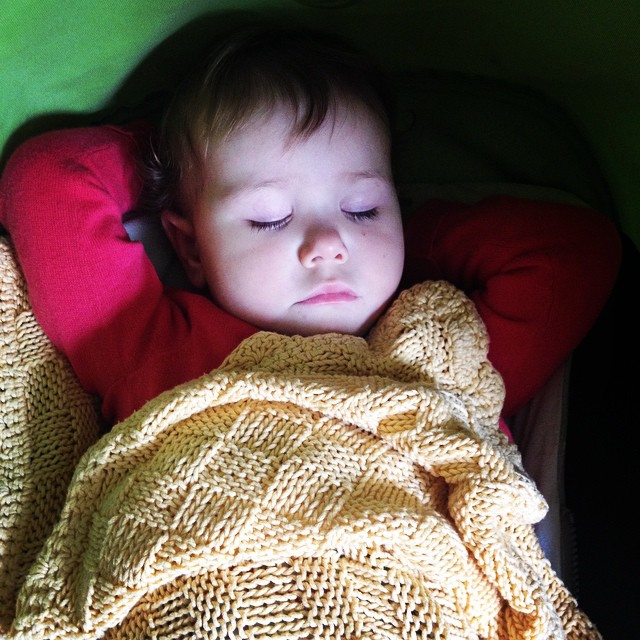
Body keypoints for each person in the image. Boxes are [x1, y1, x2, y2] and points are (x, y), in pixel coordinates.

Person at [0, 25, 621, 436]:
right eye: (269, 217)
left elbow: (576, 251)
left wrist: (410, 242)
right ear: (190, 245)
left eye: (363, 209)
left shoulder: (443, 356)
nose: (329, 243)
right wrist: (174, 165)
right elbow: (46, 175)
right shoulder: (148, 343)